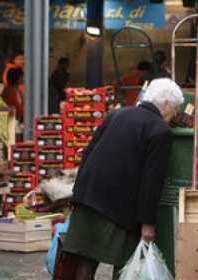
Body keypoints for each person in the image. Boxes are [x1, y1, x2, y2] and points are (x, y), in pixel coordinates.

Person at [62, 78, 184, 280]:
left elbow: (88, 154)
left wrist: (78, 194)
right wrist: (148, 223)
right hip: (119, 205)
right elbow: (151, 181)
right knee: (126, 262)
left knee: (86, 258)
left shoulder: (116, 114)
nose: (175, 115)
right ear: (165, 104)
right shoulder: (160, 131)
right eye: (175, 109)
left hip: (89, 194)